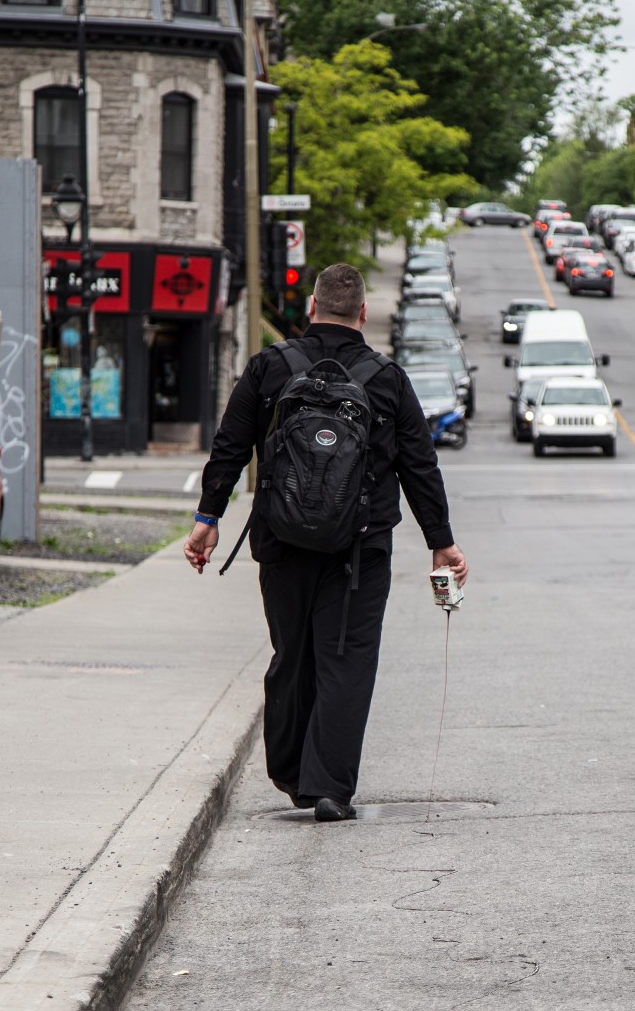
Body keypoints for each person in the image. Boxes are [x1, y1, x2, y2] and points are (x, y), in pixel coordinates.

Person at [183, 262, 468, 822]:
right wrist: (442, 542)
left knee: (292, 655)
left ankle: (293, 774)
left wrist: (207, 517)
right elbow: (420, 465)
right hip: (358, 554)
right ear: (363, 314)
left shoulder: (269, 367)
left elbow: (230, 444)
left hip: (282, 544)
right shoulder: (387, 379)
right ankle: (330, 787)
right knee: (347, 661)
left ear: (312, 307)